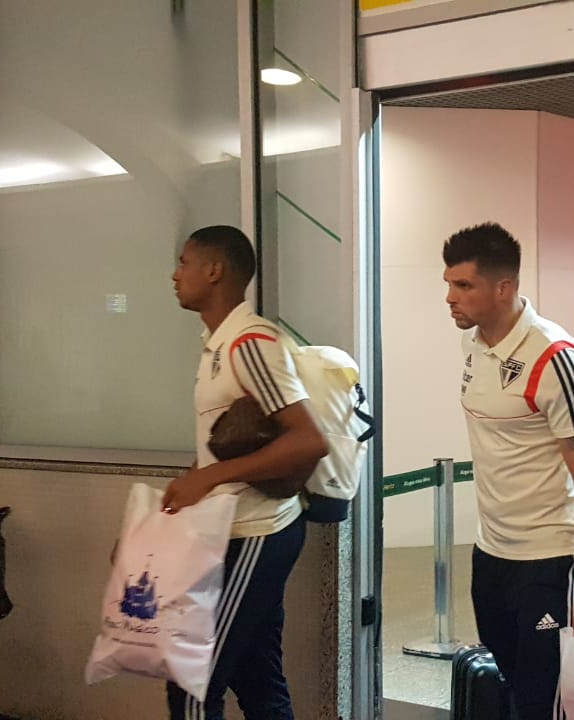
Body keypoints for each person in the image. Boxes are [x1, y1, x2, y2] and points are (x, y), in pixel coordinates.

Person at [443, 222, 574, 719]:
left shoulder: (555, 357)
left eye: (464, 285)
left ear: (504, 288)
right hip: (491, 553)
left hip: (550, 557)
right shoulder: (473, 344)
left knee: (545, 701)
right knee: (513, 687)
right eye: (448, 284)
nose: (450, 298)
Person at [163, 225, 328, 720]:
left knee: (193, 681)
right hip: (230, 530)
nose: (175, 275)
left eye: (184, 263)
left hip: (257, 532)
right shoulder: (219, 344)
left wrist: (210, 478)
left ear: (214, 270)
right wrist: (184, 490)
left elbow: (308, 440)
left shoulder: (250, 342)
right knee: (257, 680)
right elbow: (222, 445)